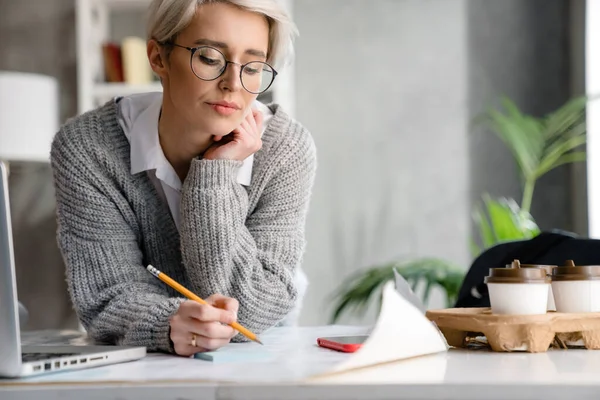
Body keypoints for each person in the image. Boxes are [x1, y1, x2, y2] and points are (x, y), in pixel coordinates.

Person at [49, 0, 316, 357]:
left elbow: (251, 312)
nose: (233, 84)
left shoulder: (285, 148)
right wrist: (168, 322)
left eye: (253, 66)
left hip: (263, 355)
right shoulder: (88, 148)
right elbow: (107, 293)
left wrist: (214, 177)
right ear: (158, 57)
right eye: (209, 57)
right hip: (146, 359)